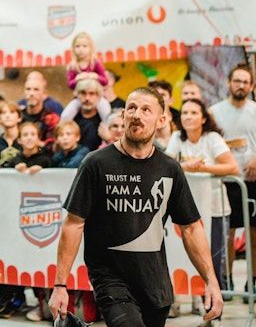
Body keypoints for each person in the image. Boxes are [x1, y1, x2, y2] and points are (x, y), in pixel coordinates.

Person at [49, 88, 224, 327]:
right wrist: (60, 285)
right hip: (110, 278)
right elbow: (74, 223)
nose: (136, 115)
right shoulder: (96, 163)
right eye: (131, 108)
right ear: (123, 115)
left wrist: (211, 281)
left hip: (154, 283)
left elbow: (191, 227)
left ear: (161, 120)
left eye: (145, 110)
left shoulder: (169, 169)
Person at [209, 64, 256, 297]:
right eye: (237, 81)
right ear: (229, 83)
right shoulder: (215, 112)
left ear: (252, 86)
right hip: (228, 180)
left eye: (246, 82)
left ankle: (252, 281)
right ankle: (226, 280)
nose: (241, 85)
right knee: (228, 232)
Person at [167, 98, 238, 302]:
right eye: (185, 113)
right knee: (187, 259)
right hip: (186, 210)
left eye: (194, 113)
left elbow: (232, 167)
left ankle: (213, 314)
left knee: (213, 262)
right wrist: (185, 167)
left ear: (204, 118)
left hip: (215, 208)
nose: (188, 117)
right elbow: (167, 166)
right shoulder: (176, 138)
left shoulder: (212, 138)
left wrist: (202, 168)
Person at [20, 71, 63, 149]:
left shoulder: (52, 118)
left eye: (36, 89)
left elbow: (55, 146)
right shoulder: (18, 116)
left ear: (44, 93)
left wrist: (37, 143)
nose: (31, 93)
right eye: (28, 89)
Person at [66, 79, 107, 152]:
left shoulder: (103, 119)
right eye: (83, 93)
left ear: (98, 96)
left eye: (91, 93)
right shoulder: (71, 117)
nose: (87, 98)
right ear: (77, 95)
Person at [0, 101, 23, 166]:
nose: (7, 115)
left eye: (12, 112)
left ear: (19, 118)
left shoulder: (26, 142)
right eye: (3, 113)